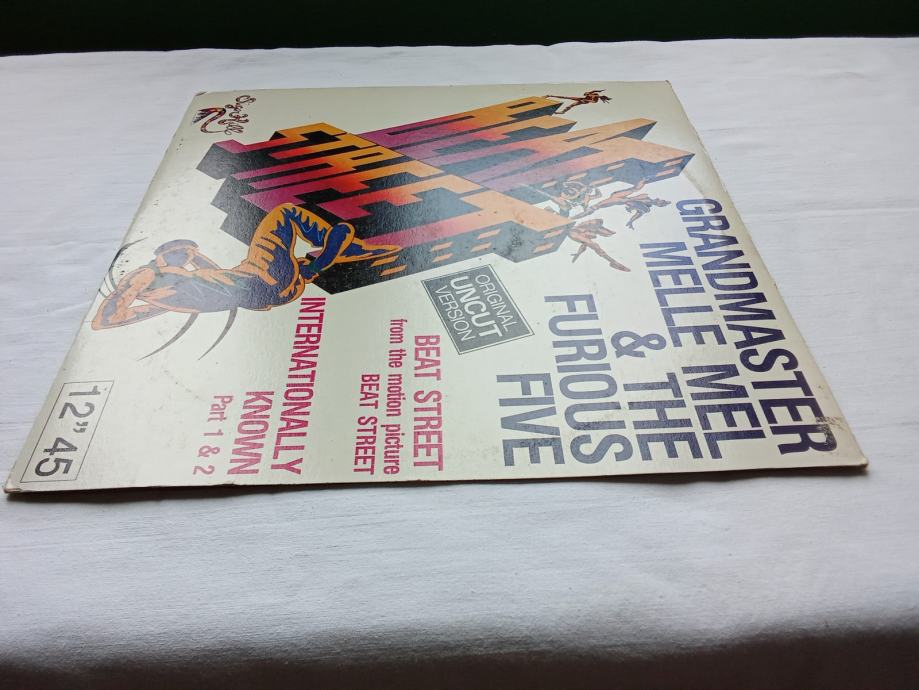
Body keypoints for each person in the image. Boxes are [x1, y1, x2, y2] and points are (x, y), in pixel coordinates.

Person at [93, 203, 398, 330]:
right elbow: (104, 320)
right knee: (284, 214)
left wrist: (193, 259)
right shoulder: (148, 275)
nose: (188, 256)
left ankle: (312, 266)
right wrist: (132, 294)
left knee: (244, 270)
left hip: (266, 293)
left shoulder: (171, 294)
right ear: (165, 254)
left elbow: (216, 276)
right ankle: (327, 258)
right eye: (183, 252)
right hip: (261, 280)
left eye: (189, 253)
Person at [573, 179, 670, 229]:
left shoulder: (645, 208)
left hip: (620, 200)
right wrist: (643, 181)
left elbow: (638, 214)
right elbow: (634, 191)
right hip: (620, 197)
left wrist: (631, 221)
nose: (658, 202)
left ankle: (576, 216)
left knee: (597, 206)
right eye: (660, 201)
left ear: (658, 205)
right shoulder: (645, 196)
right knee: (633, 189)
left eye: (660, 203)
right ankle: (644, 178)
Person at [543, 89, 611, 114]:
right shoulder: (593, 93)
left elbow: (592, 101)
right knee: (566, 97)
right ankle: (550, 95)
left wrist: (586, 99)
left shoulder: (595, 99)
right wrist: (598, 90)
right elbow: (593, 91)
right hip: (582, 99)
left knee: (571, 105)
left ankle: (562, 112)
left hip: (584, 101)